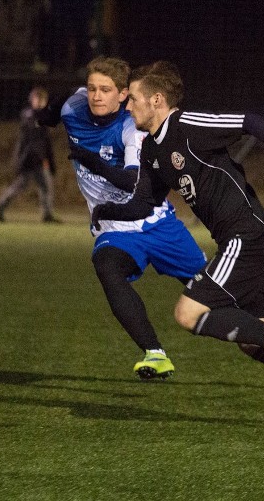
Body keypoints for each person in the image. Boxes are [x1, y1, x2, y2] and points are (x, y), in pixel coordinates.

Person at [92, 61, 264, 430]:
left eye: (132, 98)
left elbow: (250, 121)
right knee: (253, 341)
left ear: (156, 99)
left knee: (188, 313)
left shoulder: (188, 125)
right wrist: (106, 209)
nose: (127, 105)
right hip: (255, 239)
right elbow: (144, 203)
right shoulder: (152, 149)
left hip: (246, 235)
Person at [44, 56, 206, 380]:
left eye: (106, 90)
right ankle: (155, 353)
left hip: (156, 221)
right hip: (115, 228)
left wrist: (93, 161)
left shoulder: (133, 128)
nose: (96, 96)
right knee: (106, 265)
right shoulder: (72, 107)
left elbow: (132, 182)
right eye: (91, 88)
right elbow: (55, 106)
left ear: (123, 95)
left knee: (212, 290)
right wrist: (42, 115)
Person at [0, 86, 60, 223]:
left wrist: (49, 160)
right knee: (20, 186)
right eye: (38, 99)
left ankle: (47, 215)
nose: (41, 102)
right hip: (29, 159)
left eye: (43, 100)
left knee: (46, 187)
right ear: (33, 100)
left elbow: (45, 142)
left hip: (39, 160)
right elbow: (29, 139)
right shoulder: (29, 115)